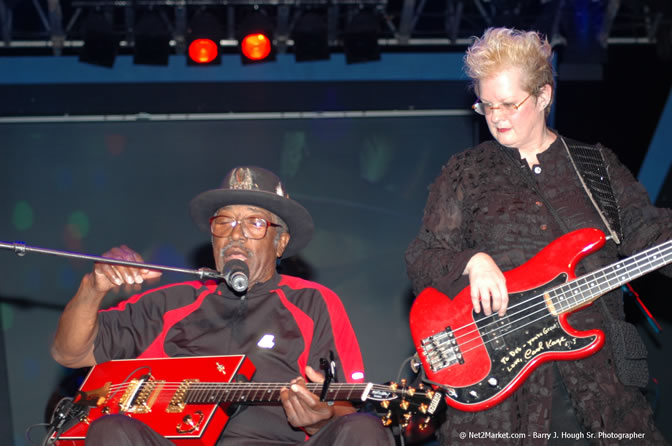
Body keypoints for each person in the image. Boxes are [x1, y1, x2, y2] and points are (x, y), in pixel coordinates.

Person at [405, 27, 672, 444]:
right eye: (487, 105)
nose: (497, 117)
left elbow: (650, 234)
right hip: (501, 389)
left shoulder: (596, 166)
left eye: (510, 103)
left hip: (601, 382)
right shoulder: (464, 173)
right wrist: (472, 262)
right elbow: (423, 256)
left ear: (544, 95)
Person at [51, 166, 393, 445]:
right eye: (224, 222)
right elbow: (70, 353)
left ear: (281, 242)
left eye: (255, 223)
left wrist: (321, 420)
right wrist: (93, 288)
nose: (236, 234)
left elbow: (346, 411)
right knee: (110, 430)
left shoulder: (313, 302)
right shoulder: (171, 303)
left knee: (364, 430)